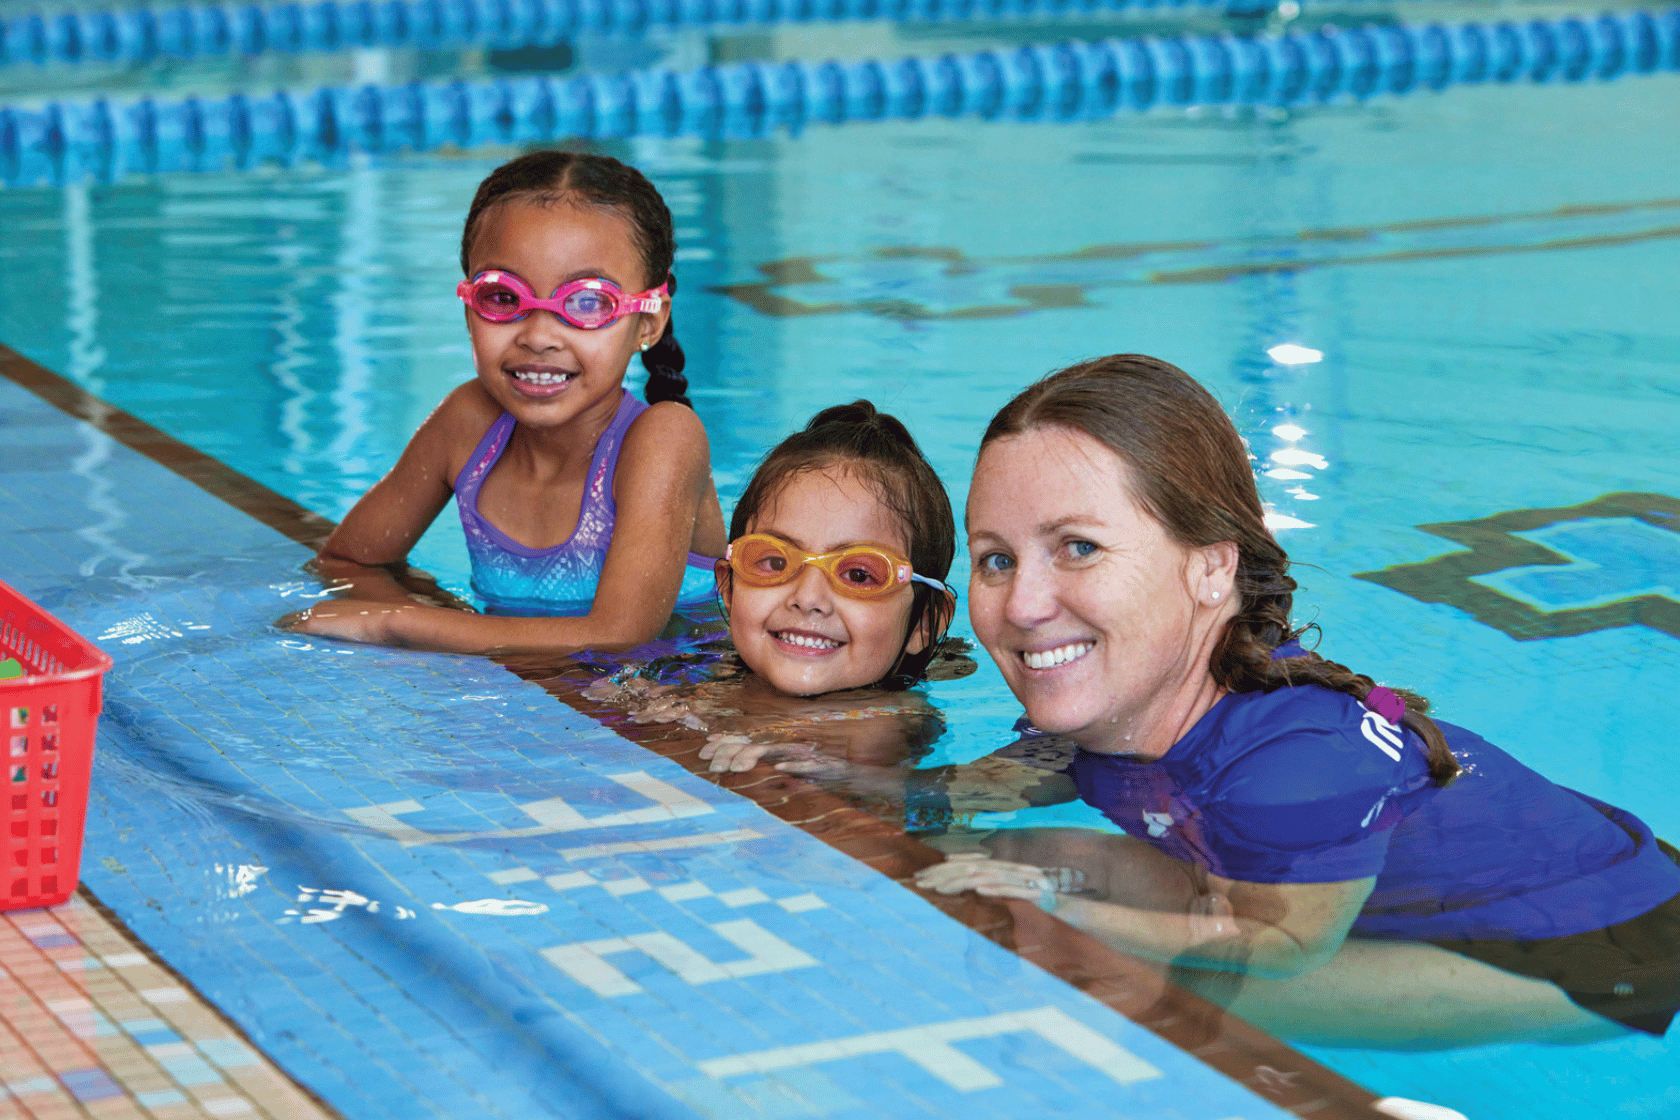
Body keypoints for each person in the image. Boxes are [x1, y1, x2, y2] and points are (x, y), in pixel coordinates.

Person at [915, 354, 1680, 1048]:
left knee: (1088, 963)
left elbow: (1282, 948)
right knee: (1020, 863)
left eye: (1079, 547)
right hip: (1467, 886)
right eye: (996, 559)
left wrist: (1064, 910)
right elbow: (942, 799)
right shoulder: (1131, 705)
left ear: (1211, 568)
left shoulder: (1298, 762)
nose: (1023, 605)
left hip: (1605, 943)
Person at [281, 151, 725, 653]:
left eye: (587, 302)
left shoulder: (665, 438)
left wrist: (396, 624)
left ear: (648, 321)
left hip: (680, 687)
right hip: (532, 686)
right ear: (468, 308)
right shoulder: (469, 424)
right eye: (502, 297)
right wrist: (446, 620)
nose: (538, 336)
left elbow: (618, 636)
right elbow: (348, 560)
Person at [582, 401, 961, 779]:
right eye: (775, 563)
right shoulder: (710, 678)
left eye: (859, 575)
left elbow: (887, 789)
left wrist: (836, 771)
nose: (807, 598)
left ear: (924, 623)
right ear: (729, 588)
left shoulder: (893, 720)